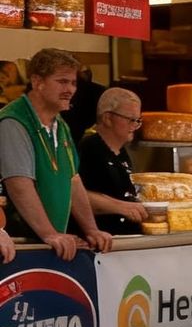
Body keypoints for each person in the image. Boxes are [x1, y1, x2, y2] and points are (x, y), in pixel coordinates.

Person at [0, 48, 114, 259]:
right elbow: (19, 185)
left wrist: (91, 229)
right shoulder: (13, 122)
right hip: (19, 249)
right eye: (62, 81)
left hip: (49, 245)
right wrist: (49, 233)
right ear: (37, 82)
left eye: (73, 83)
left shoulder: (60, 125)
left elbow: (73, 180)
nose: (70, 89)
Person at [78, 87, 150, 236]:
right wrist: (120, 207)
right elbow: (75, 196)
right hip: (102, 243)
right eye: (131, 119)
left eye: (138, 121)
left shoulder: (121, 152)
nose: (135, 126)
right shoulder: (89, 149)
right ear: (107, 118)